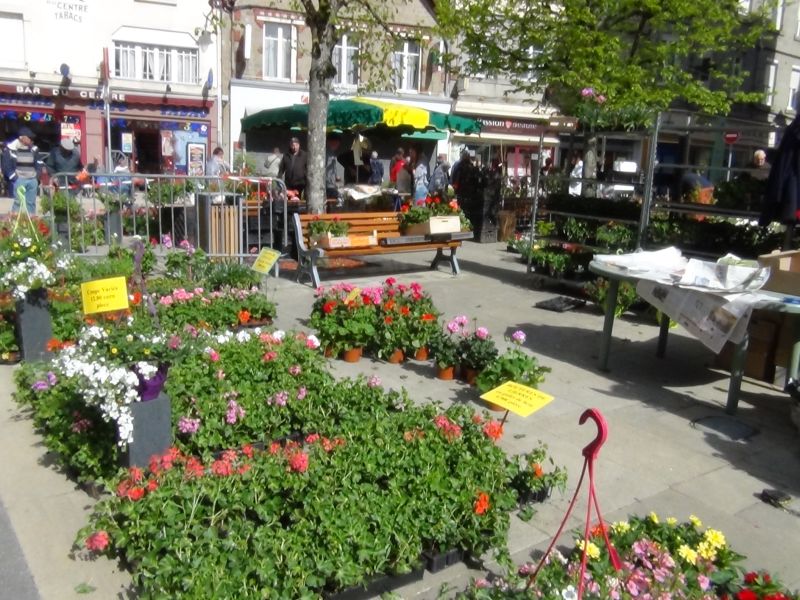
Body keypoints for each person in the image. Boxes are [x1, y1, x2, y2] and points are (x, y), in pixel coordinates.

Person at [1, 126, 41, 214]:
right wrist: (15, 178)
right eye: (29, 137)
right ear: (22, 138)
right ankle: (15, 223)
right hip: (19, 180)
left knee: (31, 204)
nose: (31, 139)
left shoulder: (34, 149)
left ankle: (31, 223)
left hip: (32, 180)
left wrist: (36, 177)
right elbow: (6, 166)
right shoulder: (10, 149)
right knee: (17, 203)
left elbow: (38, 163)